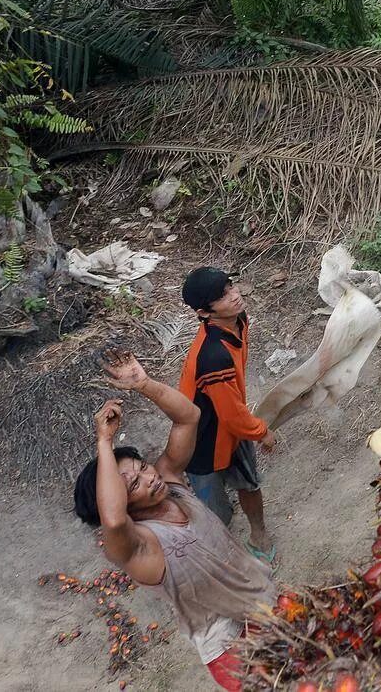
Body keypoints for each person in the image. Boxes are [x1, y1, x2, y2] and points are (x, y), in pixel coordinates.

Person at [73, 348, 276, 691]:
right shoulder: (140, 547)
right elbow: (112, 519)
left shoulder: (170, 483)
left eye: (142, 468)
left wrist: (143, 384)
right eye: (134, 484)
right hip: (230, 645)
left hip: (265, 601)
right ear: (123, 503)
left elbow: (189, 418)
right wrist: (104, 443)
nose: (149, 477)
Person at [178, 266, 276, 564]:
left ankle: (259, 535)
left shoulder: (239, 322)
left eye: (231, 286)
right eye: (222, 295)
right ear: (204, 312)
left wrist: (247, 424)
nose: (234, 295)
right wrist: (261, 431)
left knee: (248, 483)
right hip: (202, 440)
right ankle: (223, 551)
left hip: (232, 427)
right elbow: (232, 416)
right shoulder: (212, 356)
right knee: (214, 509)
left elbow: (233, 411)